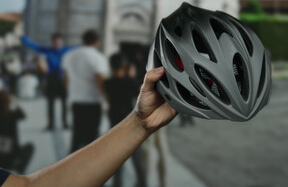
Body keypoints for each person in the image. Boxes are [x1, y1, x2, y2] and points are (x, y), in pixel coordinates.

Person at [0, 67, 178, 187]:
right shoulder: (127, 82)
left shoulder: (109, 82)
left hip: (107, 116)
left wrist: (140, 123)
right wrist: (139, 123)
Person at [104, 53, 147, 187]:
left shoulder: (107, 83)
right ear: (124, 66)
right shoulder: (130, 82)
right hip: (130, 125)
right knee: (138, 159)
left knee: (117, 162)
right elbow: (141, 94)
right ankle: (142, 183)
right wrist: (132, 75)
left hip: (114, 125)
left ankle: (117, 184)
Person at [62, 30, 108, 153]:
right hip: (93, 101)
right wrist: (107, 99)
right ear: (96, 41)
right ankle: (89, 167)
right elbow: (100, 81)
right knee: (91, 138)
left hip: (76, 100)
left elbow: (65, 78)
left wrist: (71, 92)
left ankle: (71, 165)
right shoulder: (98, 57)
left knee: (76, 134)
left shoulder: (69, 55)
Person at [21, 33, 74, 130]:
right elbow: (35, 46)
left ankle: (65, 123)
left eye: (59, 41)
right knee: (50, 103)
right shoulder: (48, 50)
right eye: (55, 41)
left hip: (62, 79)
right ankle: (51, 124)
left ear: (61, 42)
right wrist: (24, 38)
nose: (57, 43)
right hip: (51, 79)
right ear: (53, 42)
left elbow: (78, 48)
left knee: (64, 103)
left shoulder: (66, 50)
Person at [0, 91, 34, 174]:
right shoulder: (12, 115)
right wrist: (15, 103)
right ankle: (20, 168)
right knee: (30, 146)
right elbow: (22, 115)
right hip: (12, 158)